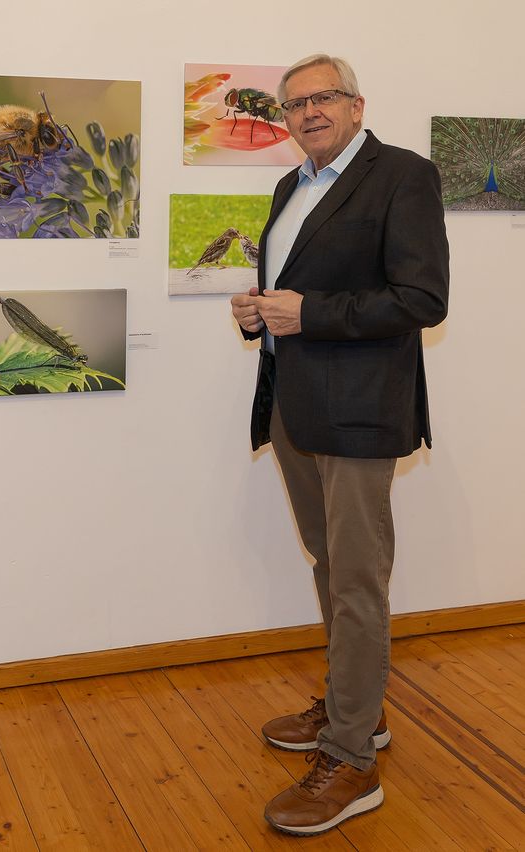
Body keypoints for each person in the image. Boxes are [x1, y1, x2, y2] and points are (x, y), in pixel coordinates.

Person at [231, 54, 449, 836]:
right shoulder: (292, 187)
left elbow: (422, 299)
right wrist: (259, 311)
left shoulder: (403, 175)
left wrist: (309, 314)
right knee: (332, 567)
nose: (308, 111)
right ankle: (357, 708)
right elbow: (298, 294)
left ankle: (353, 759)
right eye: (294, 103)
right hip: (294, 409)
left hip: (359, 415)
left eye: (323, 97)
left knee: (358, 582)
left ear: (357, 105)